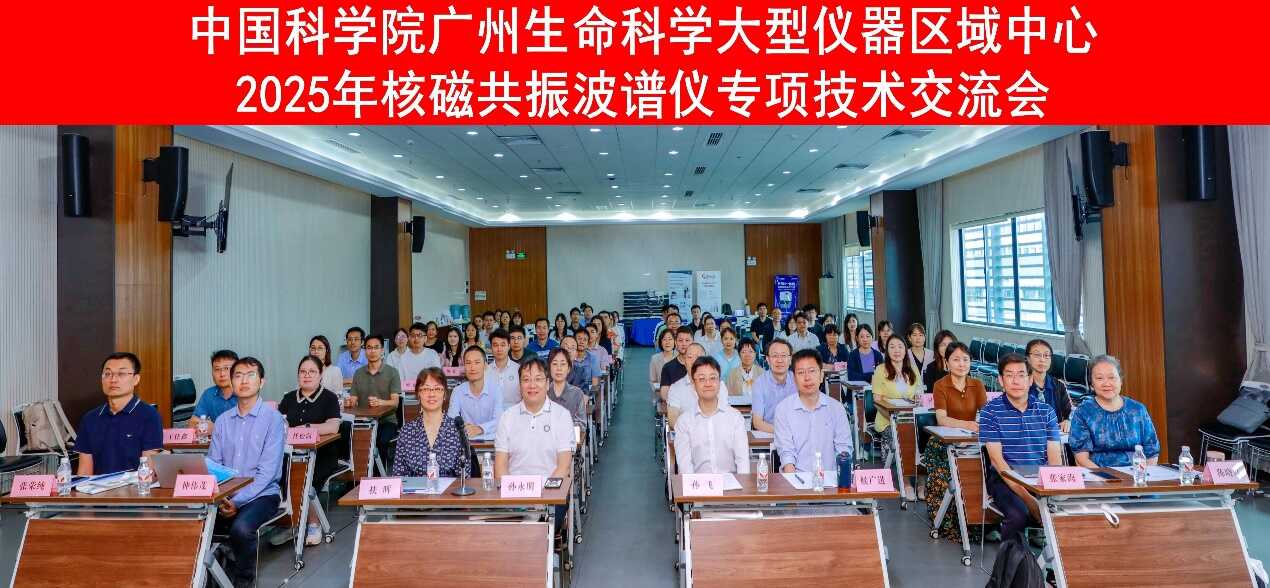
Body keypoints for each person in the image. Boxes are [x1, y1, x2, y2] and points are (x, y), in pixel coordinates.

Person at [208, 357, 286, 588]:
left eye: (250, 375)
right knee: (194, 524)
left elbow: (267, 473)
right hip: (225, 496)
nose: (244, 381)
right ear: (231, 382)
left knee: (241, 529)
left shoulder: (273, 420)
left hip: (262, 494)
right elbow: (213, 466)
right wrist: (223, 498)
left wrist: (237, 501)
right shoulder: (222, 421)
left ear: (261, 382)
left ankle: (244, 582)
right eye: (238, 375)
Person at [978, 353, 1063, 541]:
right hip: (1005, 479)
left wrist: (1049, 493)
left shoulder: (1046, 411)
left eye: (1021, 375)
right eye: (1009, 375)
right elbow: (997, 462)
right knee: (1019, 515)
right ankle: (1011, 559)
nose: (1015, 381)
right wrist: (1030, 501)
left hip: (1040, 478)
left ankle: (1051, 559)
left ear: (1030, 380)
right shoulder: (990, 412)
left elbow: (1055, 459)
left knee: (1067, 512)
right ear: (1001, 380)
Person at [923, 341, 989, 541]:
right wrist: (967, 424)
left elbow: (986, 414)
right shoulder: (940, 385)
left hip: (970, 441)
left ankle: (979, 523)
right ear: (947, 363)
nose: (961, 364)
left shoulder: (977, 385)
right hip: (943, 443)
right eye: (956, 360)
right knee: (949, 478)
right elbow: (942, 419)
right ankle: (949, 523)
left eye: (965, 360)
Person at [277, 355, 342, 546]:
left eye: (312, 371)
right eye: (303, 372)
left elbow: (333, 427)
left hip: (322, 453)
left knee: (306, 479)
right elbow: (279, 424)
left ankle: (313, 523)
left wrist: (306, 428)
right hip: (291, 454)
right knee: (278, 475)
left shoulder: (329, 397)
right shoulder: (289, 398)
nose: (307, 375)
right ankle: (293, 524)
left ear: (321, 375)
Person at [76, 352, 163, 476]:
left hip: (134, 487)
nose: (113, 379)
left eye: (121, 374)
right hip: (97, 487)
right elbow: (84, 472)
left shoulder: (149, 416)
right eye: (107, 374)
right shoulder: (90, 419)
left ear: (136, 379)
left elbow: (148, 471)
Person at [1069, 355, 1161, 468]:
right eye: (1099, 378)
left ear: (1120, 380)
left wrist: (1142, 475)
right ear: (1092, 383)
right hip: (1098, 474)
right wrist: (1105, 477)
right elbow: (1081, 459)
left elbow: (1152, 453)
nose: (1107, 383)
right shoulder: (1083, 412)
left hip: (1137, 473)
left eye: (1112, 377)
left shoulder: (1137, 410)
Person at [494, 358, 575, 480]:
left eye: (538, 379)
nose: (532, 385)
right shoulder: (507, 417)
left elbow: (564, 467)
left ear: (547, 384)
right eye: (526, 380)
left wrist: (546, 490)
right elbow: (500, 467)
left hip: (550, 489)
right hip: (515, 489)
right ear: (519, 385)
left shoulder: (562, 416)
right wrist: (511, 489)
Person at [774, 350, 853, 473]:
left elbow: (843, 448)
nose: (807, 378)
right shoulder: (783, 409)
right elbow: (786, 452)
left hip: (830, 478)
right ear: (794, 379)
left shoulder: (836, 409)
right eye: (801, 373)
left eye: (812, 371)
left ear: (821, 375)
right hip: (796, 477)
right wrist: (793, 480)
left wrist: (841, 479)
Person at [674, 356, 750, 475]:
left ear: (720, 383)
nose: (708, 383)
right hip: (698, 484)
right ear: (693, 384)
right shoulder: (684, 422)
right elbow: (685, 467)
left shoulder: (735, 418)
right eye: (702, 379)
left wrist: (741, 486)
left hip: (730, 483)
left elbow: (743, 461)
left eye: (713, 378)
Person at [395, 367, 467, 479]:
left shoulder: (457, 430)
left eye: (437, 389)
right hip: (414, 490)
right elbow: (399, 477)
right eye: (426, 389)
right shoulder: (407, 431)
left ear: (445, 394)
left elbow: (464, 477)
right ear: (418, 394)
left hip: (450, 490)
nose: (431, 394)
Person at [347, 334, 402, 471]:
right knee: (350, 440)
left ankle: (378, 477)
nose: (372, 351)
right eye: (369, 348)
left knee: (379, 441)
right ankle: (356, 477)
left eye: (376, 347)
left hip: (387, 421)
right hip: (363, 421)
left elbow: (395, 402)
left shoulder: (392, 372)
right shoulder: (358, 373)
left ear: (382, 350)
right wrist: (349, 402)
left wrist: (380, 402)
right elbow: (353, 399)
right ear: (364, 350)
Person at [666, 344, 730, 427]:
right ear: (684, 361)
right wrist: (696, 431)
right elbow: (673, 420)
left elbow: (724, 414)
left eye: (698, 357)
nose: (694, 361)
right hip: (687, 433)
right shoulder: (675, 388)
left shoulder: (719, 385)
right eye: (690, 357)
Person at [448, 346, 505, 439]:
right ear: (464, 366)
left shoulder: (496, 390)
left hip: (490, 443)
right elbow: (451, 418)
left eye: (477, 362)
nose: (472, 367)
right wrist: (463, 427)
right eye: (468, 363)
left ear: (485, 366)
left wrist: (480, 429)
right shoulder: (458, 391)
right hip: (466, 441)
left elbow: (499, 420)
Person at [872, 335, 921, 435]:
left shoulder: (913, 370)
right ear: (887, 351)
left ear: (905, 350)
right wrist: (895, 419)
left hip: (910, 420)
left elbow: (919, 396)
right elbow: (877, 401)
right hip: (888, 422)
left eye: (900, 346)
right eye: (892, 347)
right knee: (900, 435)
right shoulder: (880, 370)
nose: (896, 350)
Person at [1025, 339, 1074, 433]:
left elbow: (1070, 411)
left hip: (1055, 435)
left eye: (1046, 355)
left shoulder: (1058, 385)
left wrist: (1068, 420)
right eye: (1037, 355)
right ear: (1028, 358)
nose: (1042, 359)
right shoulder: (1021, 386)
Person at [751, 339, 797, 434]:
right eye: (775, 356)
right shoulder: (759, 384)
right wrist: (784, 433)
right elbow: (757, 423)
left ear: (790, 359)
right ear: (767, 359)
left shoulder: (798, 381)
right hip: (769, 434)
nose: (779, 360)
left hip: (796, 434)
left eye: (783, 356)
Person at [190, 349, 240, 435]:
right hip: (217, 442)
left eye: (226, 368)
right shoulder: (209, 394)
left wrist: (216, 428)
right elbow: (193, 422)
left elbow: (250, 428)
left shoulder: (246, 394)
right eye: (217, 369)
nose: (222, 374)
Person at [546, 348, 588, 427]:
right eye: (555, 364)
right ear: (549, 368)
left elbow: (581, 425)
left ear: (568, 368)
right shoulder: (542, 393)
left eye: (563, 364)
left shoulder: (577, 393)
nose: (559, 368)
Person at [394, 322, 443, 388]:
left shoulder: (432, 354)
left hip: (428, 391)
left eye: (419, 335)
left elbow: (438, 376)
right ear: (409, 338)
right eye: (413, 335)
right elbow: (400, 380)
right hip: (409, 392)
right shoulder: (403, 358)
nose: (416, 338)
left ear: (425, 338)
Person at [658, 327, 696, 402]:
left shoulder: (701, 365)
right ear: (675, 342)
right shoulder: (668, 367)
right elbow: (664, 395)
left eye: (687, 340)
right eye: (680, 340)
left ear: (693, 342)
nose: (684, 344)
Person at [487, 329, 521, 406]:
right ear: (491, 348)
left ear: (509, 346)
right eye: (495, 345)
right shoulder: (485, 371)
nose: (499, 349)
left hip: (515, 411)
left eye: (503, 345)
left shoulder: (518, 369)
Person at [649, 328, 677, 405]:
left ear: (675, 341)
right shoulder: (655, 359)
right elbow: (653, 380)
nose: (667, 342)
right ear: (661, 342)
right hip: (661, 398)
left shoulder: (680, 357)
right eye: (664, 339)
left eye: (670, 339)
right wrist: (661, 396)